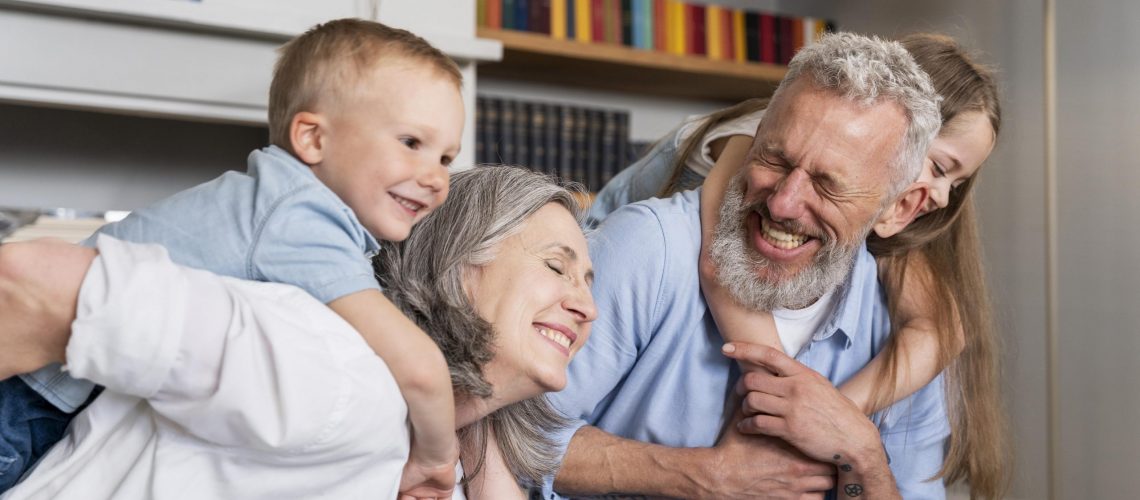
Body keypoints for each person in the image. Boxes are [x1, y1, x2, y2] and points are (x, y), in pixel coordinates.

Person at [0, 19, 465, 497]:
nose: (435, 178)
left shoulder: (280, 205)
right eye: (411, 143)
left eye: (447, 158)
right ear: (312, 139)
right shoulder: (300, 218)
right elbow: (418, 368)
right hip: (24, 393)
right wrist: (435, 458)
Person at [0, 166, 597, 499]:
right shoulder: (324, 363)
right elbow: (32, 281)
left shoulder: (444, 451)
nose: (587, 307)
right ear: (457, 265)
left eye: (589, 282)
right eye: (555, 266)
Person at [590, 33, 1009, 498]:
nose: (944, 194)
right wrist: (777, 420)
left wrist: (844, 426)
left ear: (897, 207)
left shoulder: (889, 260)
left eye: (958, 179)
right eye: (938, 165)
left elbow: (941, 329)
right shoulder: (747, 149)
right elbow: (717, 266)